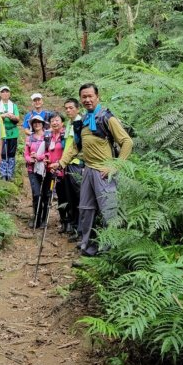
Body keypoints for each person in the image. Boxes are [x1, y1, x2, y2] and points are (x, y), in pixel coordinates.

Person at [58, 83, 133, 257]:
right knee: (85, 210)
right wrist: (61, 162)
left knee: (109, 212)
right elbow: (76, 146)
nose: (87, 99)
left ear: (97, 97)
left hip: (104, 173)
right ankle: (88, 247)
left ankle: (109, 251)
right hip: (88, 171)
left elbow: (127, 142)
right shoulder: (82, 121)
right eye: (84, 97)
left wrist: (115, 166)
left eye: (90, 96)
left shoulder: (107, 118)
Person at [62, 98, 84, 239]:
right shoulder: (69, 123)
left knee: (80, 197)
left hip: (77, 163)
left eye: (71, 108)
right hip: (68, 163)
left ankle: (81, 230)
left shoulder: (81, 123)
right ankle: (75, 226)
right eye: (66, 108)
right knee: (71, 198)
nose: (68, 110)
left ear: (77, 108)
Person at [24, 115, 50, 228]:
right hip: (32, 169)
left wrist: (38, 157)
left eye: (39, 122)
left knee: (45, 194)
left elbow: (50, 153)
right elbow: (26, 153)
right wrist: (30, 159)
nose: (36, 124)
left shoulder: (48, 137)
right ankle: (36, 217)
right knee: (36, 194)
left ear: (43, 124)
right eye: (34, 122)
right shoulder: (29, 138)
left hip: (46, 169)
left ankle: (44, 218)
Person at [46, 112, 69, 233]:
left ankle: (70, 222)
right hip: (53, 171)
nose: (54, 123)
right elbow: (47, 151)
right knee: (60, 196)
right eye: (52, 121)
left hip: (65, 170)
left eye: (57, 120)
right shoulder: (49, 136)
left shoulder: (65, 135)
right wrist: (46, 158)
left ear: (62, 123)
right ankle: (63, 221)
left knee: (67, 197)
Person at [0, 86, 20, 181]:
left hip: (13, 132)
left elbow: (18, 118)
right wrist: (4, 116)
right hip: (1, 132)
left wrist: (12, 117)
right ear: (0, 94)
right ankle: (2, 173)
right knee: (3, 152)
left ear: (9, 94)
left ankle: (10, 173)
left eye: (7, 92)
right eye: (3, 92)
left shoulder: (13, 106)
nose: (5, 93)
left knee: (11, 153)